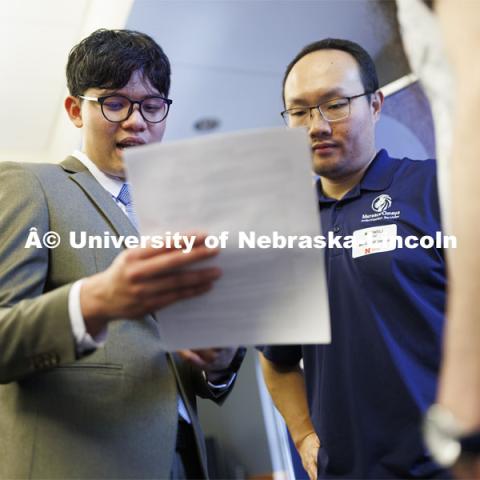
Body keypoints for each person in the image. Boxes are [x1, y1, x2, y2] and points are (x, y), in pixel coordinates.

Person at [0, 28, 244, 479]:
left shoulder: (172, 217)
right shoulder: (30, 186)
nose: (137, 121)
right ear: (76, 109)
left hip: (183, 460)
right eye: (115, 102)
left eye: (152, 105)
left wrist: (221, 363)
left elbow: (171, 357)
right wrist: (95, 302)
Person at [258, 38, 449, 479]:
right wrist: (305, 435)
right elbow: (277, 359)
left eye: (335, 105)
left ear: (376, 104)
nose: (316, 125)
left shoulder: (433, 189)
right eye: (300, 111)